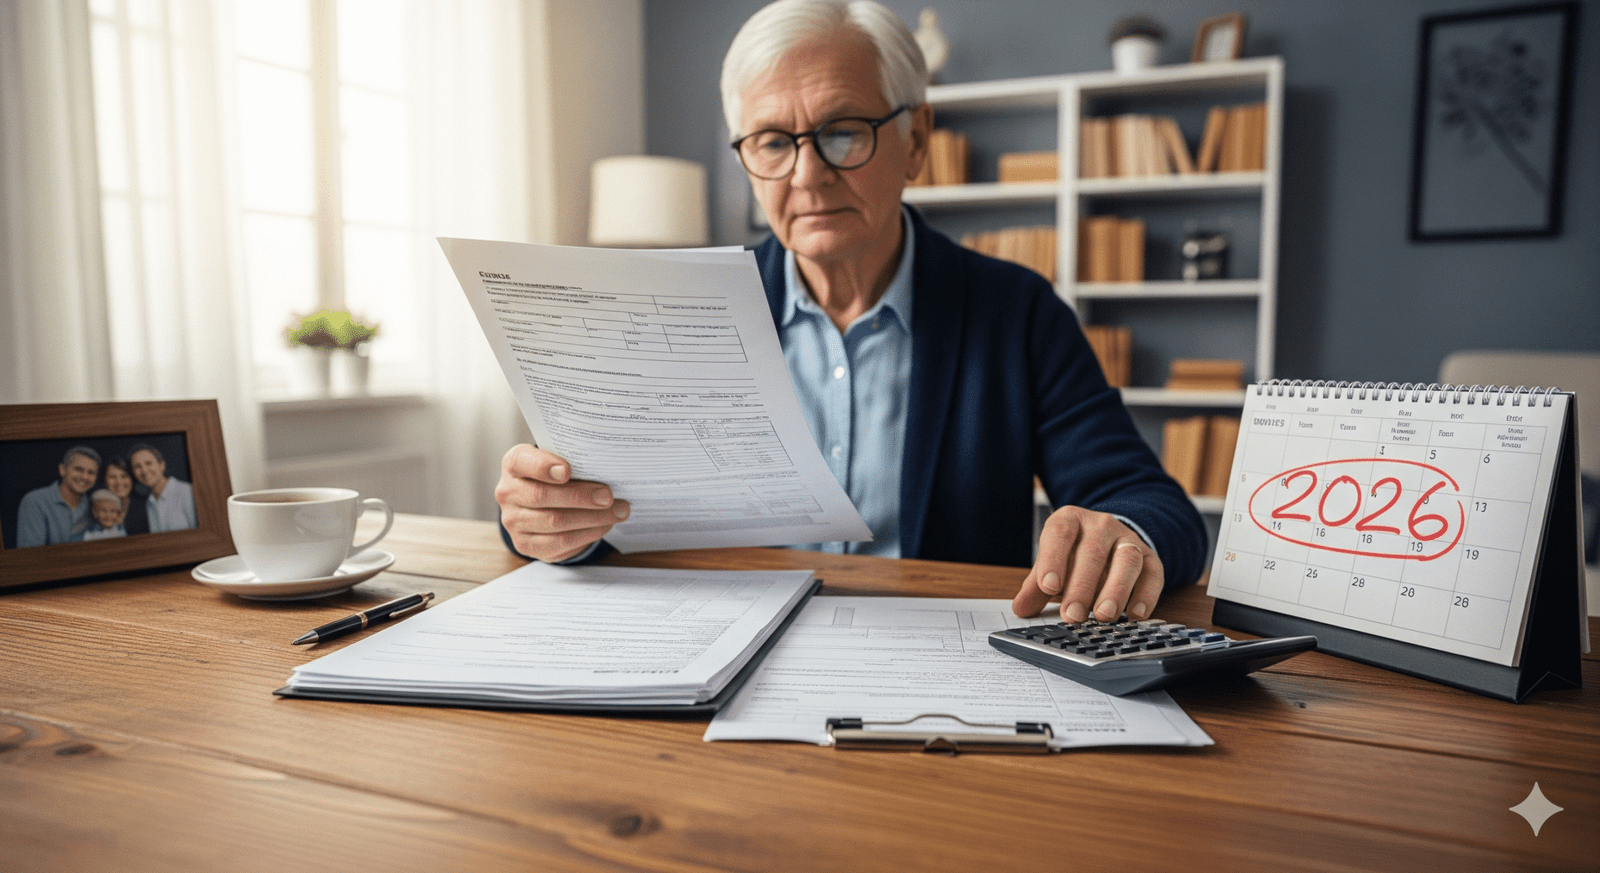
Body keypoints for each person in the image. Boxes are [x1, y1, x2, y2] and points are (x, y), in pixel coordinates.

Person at [496, 0, 1207, 623]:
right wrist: (551, 519)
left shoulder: (1016, 313)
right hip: (718, 652)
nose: (808, 175)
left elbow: (1152, 505)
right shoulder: (679, 311)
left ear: (916, 141)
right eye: (773, 142)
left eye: (843, 131)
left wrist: (1124, 534)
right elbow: (581, 502)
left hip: (937, 666)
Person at [15, 445, 101, 547]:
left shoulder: (94, 505)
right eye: (78, 469)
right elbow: (30, 553)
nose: (85, 477)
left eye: (91, 472)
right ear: (62, 470)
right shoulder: (35, 501)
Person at [129, 443, 197, 533]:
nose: (144, 471)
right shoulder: (149, 502)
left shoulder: (188, 492)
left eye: (148, 463)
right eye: (137, 466)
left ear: (162, 466)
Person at [102, 456, 150, 536]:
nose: (119, 482)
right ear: (104, 481)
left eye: (124, 476)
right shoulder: (95, 506)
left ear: (132, 479)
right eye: (112, 477)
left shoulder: (147, 505)